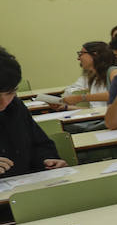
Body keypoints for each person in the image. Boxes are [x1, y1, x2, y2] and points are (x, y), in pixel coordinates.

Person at [0, 46, 67, 177]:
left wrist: (47, 160)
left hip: (25, 186)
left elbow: (40, 144)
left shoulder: (15, 107)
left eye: (9, 93)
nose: (3, 103)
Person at [61, 41, 117, 109]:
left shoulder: (113, 71)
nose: (78, 58)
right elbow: (95, 110)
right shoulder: (93, 77)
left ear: (95, 54)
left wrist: (81, 98)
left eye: (81, 54)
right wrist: (66, 107)